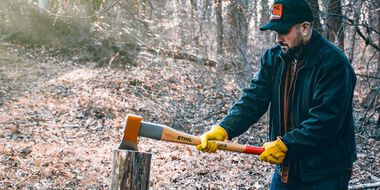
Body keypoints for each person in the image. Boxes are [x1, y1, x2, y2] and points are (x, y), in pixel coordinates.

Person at [196, 0, 357, 189]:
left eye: (284, 31)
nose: (278, 38)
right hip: (286, 168)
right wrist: (224, 129)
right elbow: (254, 98)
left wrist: (286, 144)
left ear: (304, 28)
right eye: (276, 32)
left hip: (325, 171)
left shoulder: (333, 63)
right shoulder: (273, 58)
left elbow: (326, 120)